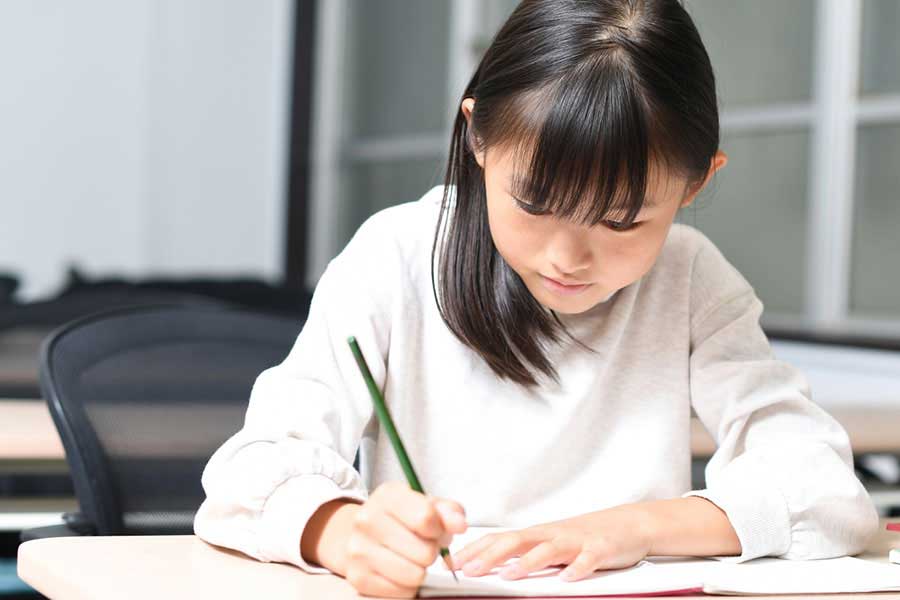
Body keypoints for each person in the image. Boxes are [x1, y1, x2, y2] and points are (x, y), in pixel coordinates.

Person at [194, 0, 878, 597]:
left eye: (622, 221)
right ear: (479, 137)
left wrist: (634, 529)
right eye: (535, 202)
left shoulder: (693, 278)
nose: (567, 257)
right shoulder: (397, 257)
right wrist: (344, 534)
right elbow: (248, 475)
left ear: (696, 185)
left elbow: (825, 493)